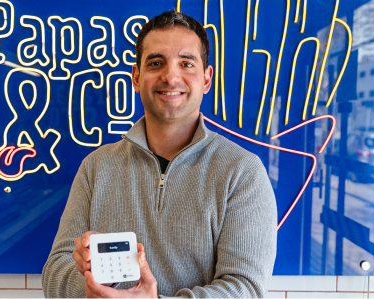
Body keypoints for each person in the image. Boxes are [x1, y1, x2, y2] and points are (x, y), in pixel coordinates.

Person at [42, 10, 277, 299]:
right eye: (156, 63)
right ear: (137, 77)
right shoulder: (96, 167)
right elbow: (55, 273)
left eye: (186, 63)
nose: (170, 76)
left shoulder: (242, 172)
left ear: (206, 79)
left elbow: (247, 289)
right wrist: (99, 284)